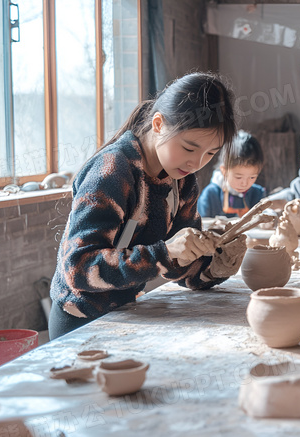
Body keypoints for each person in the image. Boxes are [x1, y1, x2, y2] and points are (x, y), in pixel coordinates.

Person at [49, 72, 244, 340]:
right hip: (82, 321)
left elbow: (182, 271)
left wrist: (215, 266)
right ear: (158, 123)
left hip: (128, 313)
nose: (196, 163)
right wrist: (164, 253)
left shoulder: (181, 181)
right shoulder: (113, 172)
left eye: (210, 153)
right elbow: (79, 269)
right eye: (189, 147)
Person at [198, 130, 266, 218]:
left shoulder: (257, 193)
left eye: (252, 177)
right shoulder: (211, 195)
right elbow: (201, 227)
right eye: (238, 177)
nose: (244, 183)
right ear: (224, 171)